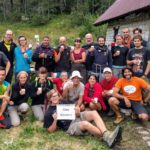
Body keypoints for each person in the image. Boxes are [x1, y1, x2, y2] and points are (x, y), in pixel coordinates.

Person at [44, 89, 122, 148]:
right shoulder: (49, 112)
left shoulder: (63, 102)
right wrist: (55, 120)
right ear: (50, 99)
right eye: (53, 96)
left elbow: (74, 108)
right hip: (70, 127)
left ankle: (106, 134)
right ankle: (107, 137)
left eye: (56, 95)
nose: (55, 97)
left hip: (75, 117)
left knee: (93, 112)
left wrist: (77, 110)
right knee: (85, 124)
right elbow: (49, 130)